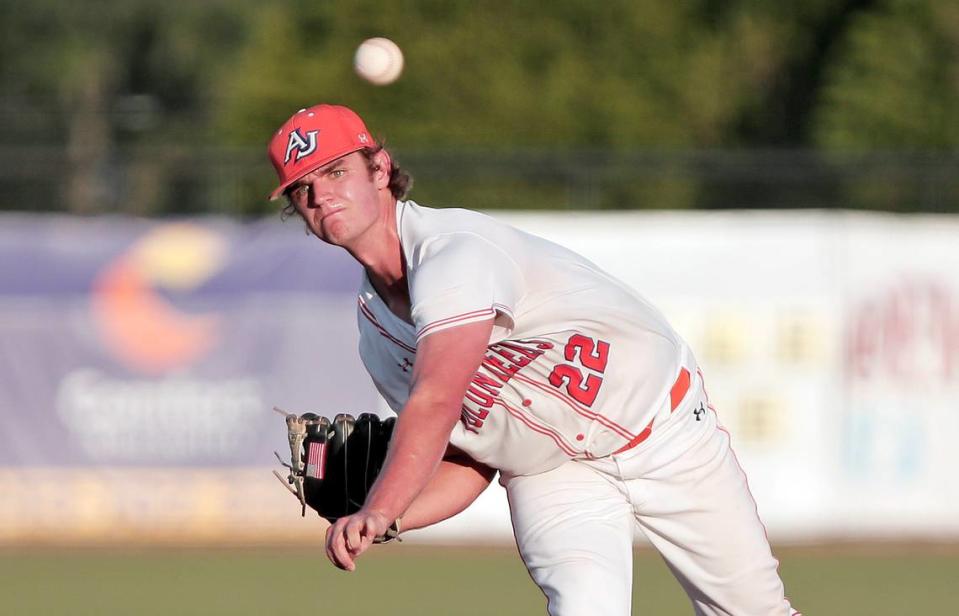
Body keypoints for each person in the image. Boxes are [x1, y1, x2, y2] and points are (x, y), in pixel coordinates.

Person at [267, 104, 800, 616]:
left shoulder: (454, 252)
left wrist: (382, 501)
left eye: (335, 171)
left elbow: (436, 398)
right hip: (552, 474)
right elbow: (475, 455)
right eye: (303, 189)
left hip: (660, 428)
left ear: (379, 169)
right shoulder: (376, 338)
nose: (321, 196)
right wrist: (380, 520)